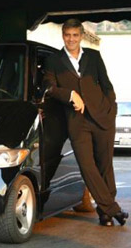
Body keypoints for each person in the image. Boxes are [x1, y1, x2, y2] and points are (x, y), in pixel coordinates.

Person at [43, 18, 129, 226]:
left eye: (75, 35)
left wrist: (111, 108)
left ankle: (105, 214)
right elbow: (50, 87)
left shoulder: (94, 56)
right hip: (76, 121)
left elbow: (106, 85)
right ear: (63, 36)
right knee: (87, 166)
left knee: (104, 166)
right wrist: (71, 94)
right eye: (67, 35)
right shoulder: (54, 60)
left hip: (102, 117)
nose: (71, 39)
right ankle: (112, 208)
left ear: (81, 36)